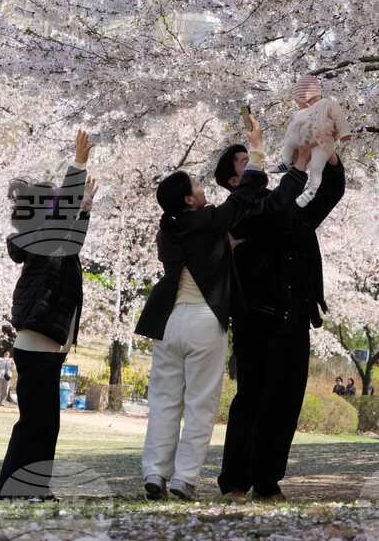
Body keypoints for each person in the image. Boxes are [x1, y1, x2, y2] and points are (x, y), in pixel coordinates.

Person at [136, 117, 309, 502]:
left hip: (168, 324)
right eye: (197, 187)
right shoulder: (213, 221)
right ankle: (183, 479)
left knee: (164, 401)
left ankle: (154, 472)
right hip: (202, 321)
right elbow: (247, 192)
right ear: (189, 200)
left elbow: (200, 257)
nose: (202, 188)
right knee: (200, 404)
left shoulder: (168, 233)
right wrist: (258, 150)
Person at [215, 114, 345, 503]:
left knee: (286, 406)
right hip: (259, 318)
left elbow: (329, 194)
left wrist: (327, 152)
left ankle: (268, 482)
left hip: (296, 319)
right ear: (234, 180)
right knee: (252, 402)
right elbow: (272, 212)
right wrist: (301, 165)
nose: (257, 161)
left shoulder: (286, 205)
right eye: (245, 161)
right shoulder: (237, 214)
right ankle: (236, 482)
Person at [0, 130, 97, 500]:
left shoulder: (53, 241)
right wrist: (78, 166)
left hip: (48, 347)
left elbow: (72, 242)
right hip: (37, 343)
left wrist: (83, 211)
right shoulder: (39, 237)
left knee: (46, 425)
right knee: (34, 424)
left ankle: (35, 488)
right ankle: (14, 489)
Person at [267, 75, 351, 207]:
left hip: (323, 144)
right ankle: (286, 160)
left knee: (315, 167)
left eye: (297, 101)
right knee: (289, 142)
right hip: (303, 139)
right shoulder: (303, 112)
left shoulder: (328, 105)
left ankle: (311, 190)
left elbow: (339, 118)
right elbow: (294, 126)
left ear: (303, 98)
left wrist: (344, 133)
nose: (297, 105)